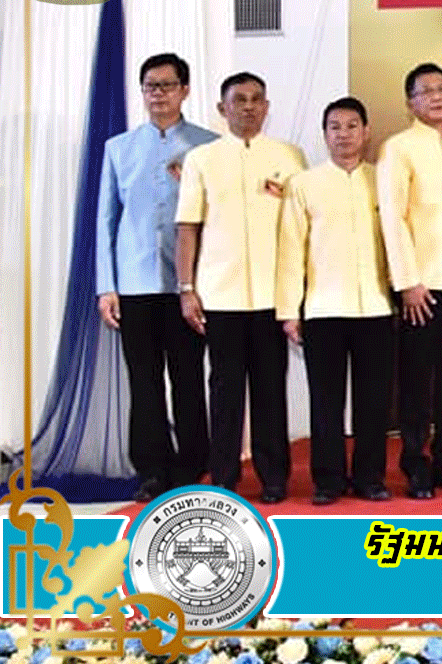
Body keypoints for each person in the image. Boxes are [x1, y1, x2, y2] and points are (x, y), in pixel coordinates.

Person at [175, 72, 306, 504]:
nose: (248, 107)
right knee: (225, 392)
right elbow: (188, 228)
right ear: (222, 108)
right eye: (239, 100)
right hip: (220, 296)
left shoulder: (289, 156)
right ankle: (224, 477)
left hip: (273, 296)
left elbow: (303, 229)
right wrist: (186, 288)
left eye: (256, 99)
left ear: (267, 107)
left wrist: (300, 293)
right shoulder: (201, 159)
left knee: (271, 391)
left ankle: (274, 479)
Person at [96, 52, 218, 502]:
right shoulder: (119, 148)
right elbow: (105, 221)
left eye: (167, 85)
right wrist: (107, 286)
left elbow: (216, 219)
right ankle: (151, 469)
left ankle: (193, 464)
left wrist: (204, 284)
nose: (158, 94)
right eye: (150, 86)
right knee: (144, 381)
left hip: (188, 287)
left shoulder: (208, 146)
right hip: (135, 285)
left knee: (189, 377)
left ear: (185, 90)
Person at [276, 98, 395, 505]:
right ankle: (327, 481)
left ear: (366, 131)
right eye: (335, 127)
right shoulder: (304, 184)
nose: (343, 134)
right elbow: (291, 250)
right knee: (326, 401)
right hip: (322, 309)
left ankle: (370, 478)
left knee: (373, 402)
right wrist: (289, 311)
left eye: (351, 126)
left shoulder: (383, 180)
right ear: (324, 134)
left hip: (376, 307)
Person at [376, 62, 442, 499]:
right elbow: (393, 218)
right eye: (426, 91)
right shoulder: (398, 148)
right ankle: (415, 462)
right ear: (410, 103)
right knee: (418, 379)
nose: (437, 97)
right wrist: (407, 281)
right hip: (420, 285)